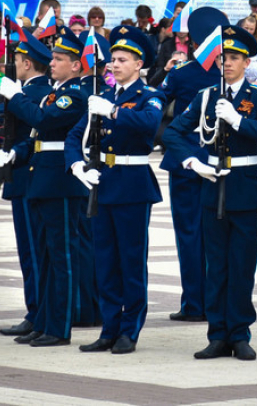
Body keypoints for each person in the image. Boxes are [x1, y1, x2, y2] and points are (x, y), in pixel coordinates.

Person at [162, 25, 257, 361]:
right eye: (224, 58)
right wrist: (191, 160)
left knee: (242, 265)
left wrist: (239, 121)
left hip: (245, 184)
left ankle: (240, 333)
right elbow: (173, 132)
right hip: (211, 181)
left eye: (234, 58)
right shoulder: (205, 97)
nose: (227, 63)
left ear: (247, 63)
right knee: (215, 265)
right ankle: (217, 334)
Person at [65, 27, 164, 355]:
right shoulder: (103, 97)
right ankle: (109, 327)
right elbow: (74, 135)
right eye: (112, 61)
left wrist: (115, 113)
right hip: (103, 182)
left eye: (123, 60)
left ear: (138, 65)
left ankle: (129, 330)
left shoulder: (149, 95)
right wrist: (76, 166)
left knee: (131, 261)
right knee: (105, 261)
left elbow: (149, 124)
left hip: (133, 184)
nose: (115, 65)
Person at [0, 30, 90, 347]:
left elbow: (43, 119)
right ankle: (44, 321)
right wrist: (15, 152)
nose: (52, 63)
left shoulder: (73, 95)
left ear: (76, 65)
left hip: (61, 182)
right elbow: (37, 133)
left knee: (61, 257)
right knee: (47, 257)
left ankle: (60, 328)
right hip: (43, 179)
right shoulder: (54, 93)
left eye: (60, 59)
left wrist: (15, 96)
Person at [0, 33, 53, 338]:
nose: (13, 65)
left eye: (16, 60)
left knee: (33, 252)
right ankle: (35, 311)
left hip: (28, 178)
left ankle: (37, 313)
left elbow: (13, 123)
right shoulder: (29, 89)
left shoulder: (35, 92)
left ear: (27, 63)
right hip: (21, 177)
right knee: (29, 252)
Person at [157, 7, 227, 323]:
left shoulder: (182, 72)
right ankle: (215, 301)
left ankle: (193, 303)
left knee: (188, 234)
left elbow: (158, 102)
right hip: (217, 159)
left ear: (194, 40)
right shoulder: (227, 75)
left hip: (184, 158)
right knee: (216, 235)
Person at [241, 14, 257, 85]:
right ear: (242, 27)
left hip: (255, 82)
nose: (248, 31)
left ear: (255, 29)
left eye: (251, 29)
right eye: (246, 28)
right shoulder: (238, 41)